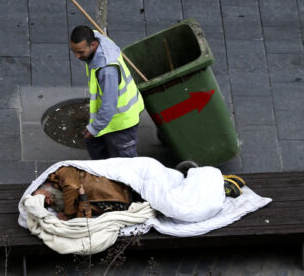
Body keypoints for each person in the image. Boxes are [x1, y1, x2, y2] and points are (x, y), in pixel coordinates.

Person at [32, 165, 246, 220]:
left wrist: (69, 211)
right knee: (180, 210)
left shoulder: (62, 173)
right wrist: (79, 205)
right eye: (46, 204)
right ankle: (214, 187)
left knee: (176, 204)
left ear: (44, 185)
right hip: (130, 202)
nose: (48, 201)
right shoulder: (72, 202)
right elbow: (84, 217)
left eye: (42, 196)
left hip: (133, 184)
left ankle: (212, 180)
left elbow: (71, 186)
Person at [69, 25, 144, 159]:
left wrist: (94, 128)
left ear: (93, 45)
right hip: (110, 119)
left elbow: (109, 106)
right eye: (74, 51)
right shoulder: (97, 37)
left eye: (80, 52)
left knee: (125, 165)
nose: (77, 56)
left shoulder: (107, 71)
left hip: (121, 124)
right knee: (94, 145)